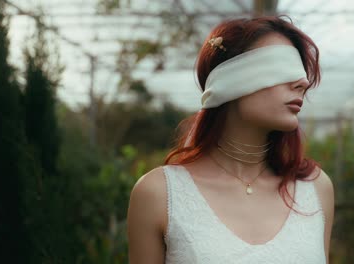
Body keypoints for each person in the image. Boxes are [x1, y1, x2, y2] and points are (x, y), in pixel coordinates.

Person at [127, 15, 334, 264]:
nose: (302, 82)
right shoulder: (158, 195)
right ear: (229, 80)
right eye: (281, 67)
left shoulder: (316, 189)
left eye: (301, 72)